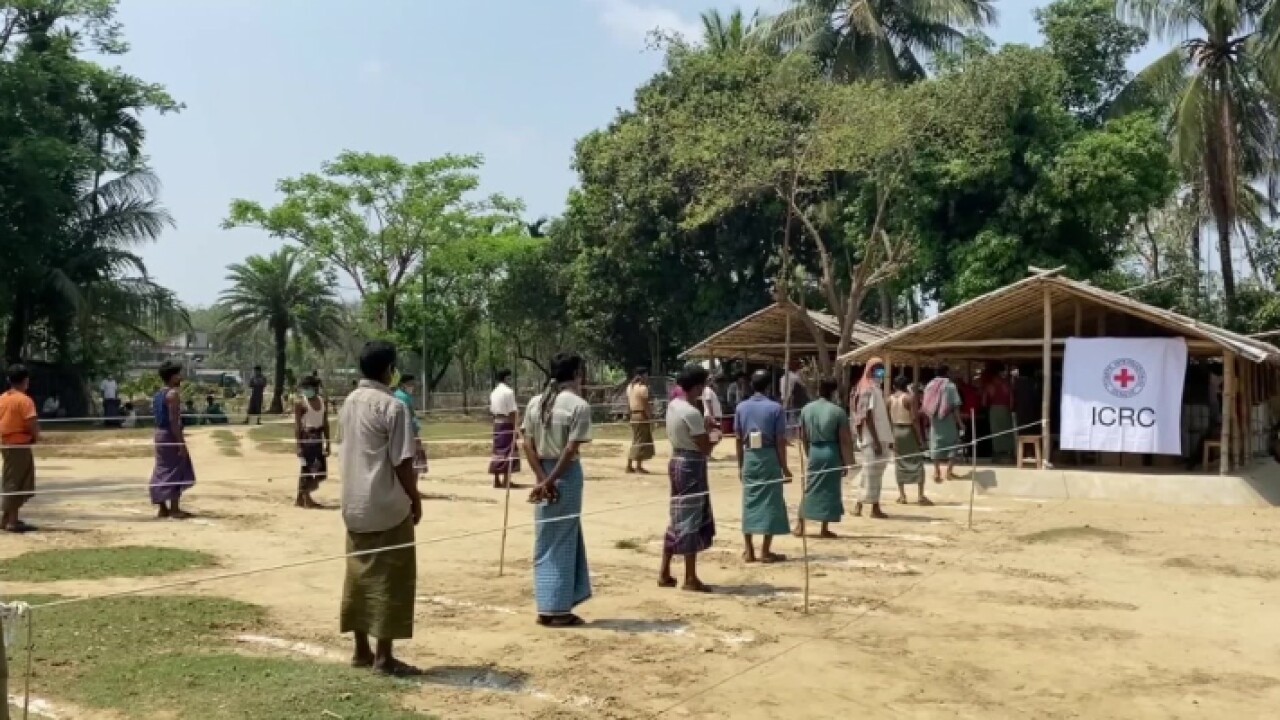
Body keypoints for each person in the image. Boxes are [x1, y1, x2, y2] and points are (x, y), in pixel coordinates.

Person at [339, 340, 422, 676]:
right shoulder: (393, 407)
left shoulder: (349, 402)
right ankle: (384, 657)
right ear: (389, 369)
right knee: (392, 577)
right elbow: (402, 462)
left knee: (358, 577)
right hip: (386, 504)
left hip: (354, 503)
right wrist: (415, 497)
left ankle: (361, 649)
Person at [522, 353, 594, 627]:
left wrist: (542, 479)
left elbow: (527, 444)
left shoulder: (535, 402)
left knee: (546, 538)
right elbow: (570, 449)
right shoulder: (578, 406)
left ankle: (548, 604)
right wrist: (550, 481)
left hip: (542, 471)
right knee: (564, 538)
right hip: (565, 474)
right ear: (576, 373)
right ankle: (558, 609)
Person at [660, 364, 718, 592]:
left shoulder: (674, 405)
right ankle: (690, 577)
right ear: (696, 387)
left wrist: (704, 427)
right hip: (691, 464)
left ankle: (665, 571)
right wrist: (715, 436)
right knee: (690, 519)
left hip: (676, 460)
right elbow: (705, 447)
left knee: (677, 516)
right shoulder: (691, 412)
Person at [734, 369, 792, 563]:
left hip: (750, 456)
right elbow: (780, 441)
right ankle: (765, 550)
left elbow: (737, 439)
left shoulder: (741, 407)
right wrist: (785, 467)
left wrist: (740, 465)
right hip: (769, 457)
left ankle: (749, 550)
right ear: (769, 386)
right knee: (771, 502)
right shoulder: (776, 408)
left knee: (749, 502)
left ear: (752, 385)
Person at [797, 377, 853, 537]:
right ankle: (824, 528)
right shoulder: (838, 411)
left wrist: (809, 453)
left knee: (810, 487)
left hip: (815, 450)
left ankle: (800, 525)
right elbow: (844, 439)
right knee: (830, 489)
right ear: (834, 392)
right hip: (831, 451)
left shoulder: (806, 409)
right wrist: (847, 461)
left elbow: (803, 436)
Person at [150, 361, 196, 519]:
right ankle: (175, 509)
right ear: (172, 377)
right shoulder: (172, 395)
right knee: (177, 469)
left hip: (159, 434)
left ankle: (163, 508)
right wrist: (180, 443)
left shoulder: (158, 394)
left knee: (162, 469)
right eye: (178, 374)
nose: (180, 377)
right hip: (170, 434)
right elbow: (174, 421)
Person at [0, 364, 40, 533]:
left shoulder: (2, 398)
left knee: (16, 478)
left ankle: (8, 518)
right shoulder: (24, 400)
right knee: (15, 481)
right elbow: (31, 423)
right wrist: (36, 437)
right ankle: (12, 521)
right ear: (26, 380)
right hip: (18, 445)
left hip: (6, 443)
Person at [851, 358, 892, 519]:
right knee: (869, 473)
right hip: (872, 439)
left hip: (881, 437)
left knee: (875, 474)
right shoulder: (867, 389)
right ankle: (863, 505)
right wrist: (875, 441)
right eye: (877, 369)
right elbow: (866, 416)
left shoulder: (877, 389)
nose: (880, 372)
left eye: (882, 369)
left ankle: (872, 506)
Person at [889, 374, 930, 505]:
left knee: (899, 463)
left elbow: (888, 419)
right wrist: (920, 439)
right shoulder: (908, 398)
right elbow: (914, 419)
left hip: (896, 431)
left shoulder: (889, 399)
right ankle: (920, 495)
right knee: (917, 461)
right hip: (908, 431)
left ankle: (902, 495)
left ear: (894, 386)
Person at [922, 365, 964, 483]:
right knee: (953, 444)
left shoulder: (929, 385)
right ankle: (949, 472)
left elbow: (926, 405)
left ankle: (937, 471)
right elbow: (956, 407)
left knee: (935, 444)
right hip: (948, 419)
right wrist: (960, 423)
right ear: (947, 373)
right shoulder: (950, 386)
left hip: (934, 420)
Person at [294, 375, 331, 508]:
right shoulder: (300, 403)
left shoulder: (323, 401)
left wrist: (328, 443)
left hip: (318, 439)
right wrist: (298, 446)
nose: (305, 390)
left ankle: (301, 497)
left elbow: (325, 423)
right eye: (304, 388)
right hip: (306, 439)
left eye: (308, 388)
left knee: (320, 471)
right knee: (307, 469)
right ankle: (306, 498)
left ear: (315, 388)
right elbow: (298, 426)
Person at [488, 369, 521, 489]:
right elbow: (512, 411)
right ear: (506, 378)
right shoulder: (508, 392)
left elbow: (492, 410)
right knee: (508, 451)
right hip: (507, 423)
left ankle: (496, 479)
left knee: (497, 451)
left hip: (497, 423)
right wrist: (516, 427)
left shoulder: (494, 392)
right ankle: (506, 480)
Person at [393, 375, 427, 479]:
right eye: (410, 384)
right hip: (409, 431)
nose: (412, 386)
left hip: (407, 430)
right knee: (413, 460)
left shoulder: (403, 395)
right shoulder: (402, 397)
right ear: (402, 384)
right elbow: (409, 414)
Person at [983, 362, 1016, 463]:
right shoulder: (1006, 385)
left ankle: (997, 452)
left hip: (994, 409)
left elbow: (984, 402)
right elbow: (1011, 400)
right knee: (1007, 430)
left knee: (996, 431)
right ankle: (1009, 451)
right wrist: (1010, 409)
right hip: (1005, 409)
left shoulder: (989, 386)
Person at [626, 367, 655, 474]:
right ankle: (638, 466)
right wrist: (650, 417)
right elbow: (646, 405)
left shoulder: (630, 387)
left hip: (633, 415)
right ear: (642, 375)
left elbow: (628, 404)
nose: (647, 377)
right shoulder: (643, 388)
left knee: (636, 440)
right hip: (641, 415)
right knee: (642, 441)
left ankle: (629, 465)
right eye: (646, 375)